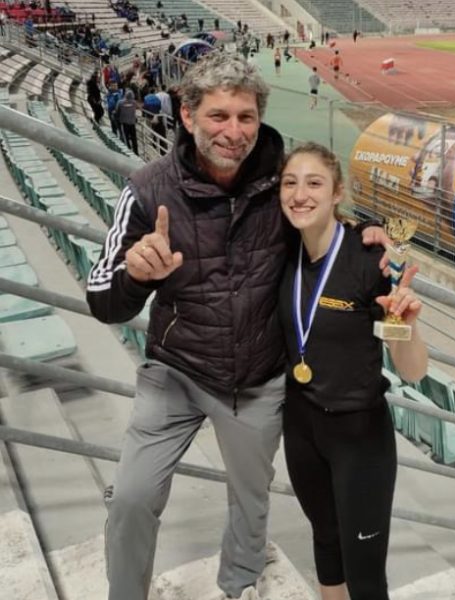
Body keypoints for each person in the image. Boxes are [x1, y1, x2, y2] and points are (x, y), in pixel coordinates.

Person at [86, 51, 288, 600]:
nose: (234, 132)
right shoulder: (147, 188)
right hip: (175, 372)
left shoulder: (286, 181)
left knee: (251, 498)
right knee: (131, 497)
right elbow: (102, 300)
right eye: (218, 115)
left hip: (257, 376)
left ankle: (239, 584)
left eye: (246, 117)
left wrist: (368, 241)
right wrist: (134, 276)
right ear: (187, 114)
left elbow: (329, 234)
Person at [278, 143, 427, 600]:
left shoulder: (369, 261)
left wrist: (407, 323)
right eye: (290, 183)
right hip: (300, 427)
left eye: (314, 183)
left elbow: (413, 371)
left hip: (359, 438)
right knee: (325, 541)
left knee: (364, 575)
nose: (300, 194)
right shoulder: (283, 250)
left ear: (337, 192)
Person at [115, 88, 138, 154]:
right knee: (134, 138)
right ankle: (136, 152)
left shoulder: (120, 102)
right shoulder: (134, 102)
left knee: (126, 138)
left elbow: (117, 111)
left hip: (124, 123)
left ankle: (128, 151)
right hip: (132, 123)